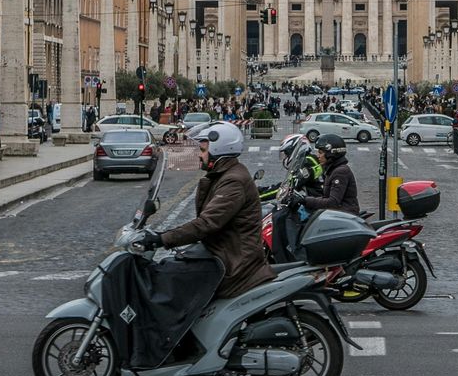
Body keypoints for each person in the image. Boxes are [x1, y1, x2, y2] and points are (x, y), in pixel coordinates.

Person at [149, 123, 275, 298]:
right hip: (224, 251)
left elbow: (206, 223)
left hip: (234, 263)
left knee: (171, 278)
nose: (199, 155)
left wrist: (161, 239)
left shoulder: (233, 181)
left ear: (218, 150)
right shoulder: (225, 174)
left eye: (202, 150)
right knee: (173, 266)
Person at [294, 134, 360, 215]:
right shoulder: (331, 170)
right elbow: (326, 198)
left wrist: (305, 200)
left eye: (321, 153)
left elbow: (333, 202)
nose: (318, 156)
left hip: (345, 214)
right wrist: (305, 199)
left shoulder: (340, 172)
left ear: (331, 154)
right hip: (337, 213)